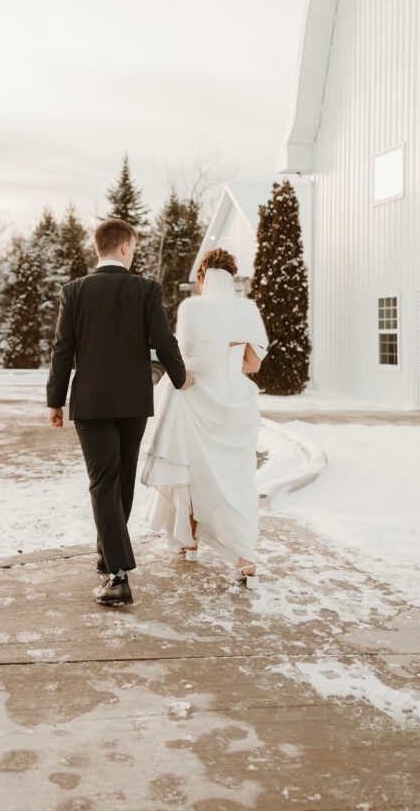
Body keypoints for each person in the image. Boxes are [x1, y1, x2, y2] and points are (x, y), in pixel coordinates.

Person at [46, 217, 194, 607]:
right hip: (132, 401)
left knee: (103, 482)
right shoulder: (146, 289)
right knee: (120, 480)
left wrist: (55, 400)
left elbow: (62, 348)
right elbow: (163, 340)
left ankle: (116, 574)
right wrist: (181, 378)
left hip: (91, 403)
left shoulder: (73, 291)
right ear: (126, 247)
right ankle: (109, 558)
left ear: (100, 248)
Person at [140, 247, 269, 587]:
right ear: (231, 277)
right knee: (237, 479)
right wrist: (229, 360)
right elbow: (253, 364)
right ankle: (245, 558)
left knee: (192, 472)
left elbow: (180, 355)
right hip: (234, 405)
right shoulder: (247, 310)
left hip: (196, 400)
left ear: (202, 278)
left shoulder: (191, 308)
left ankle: (191, 542)